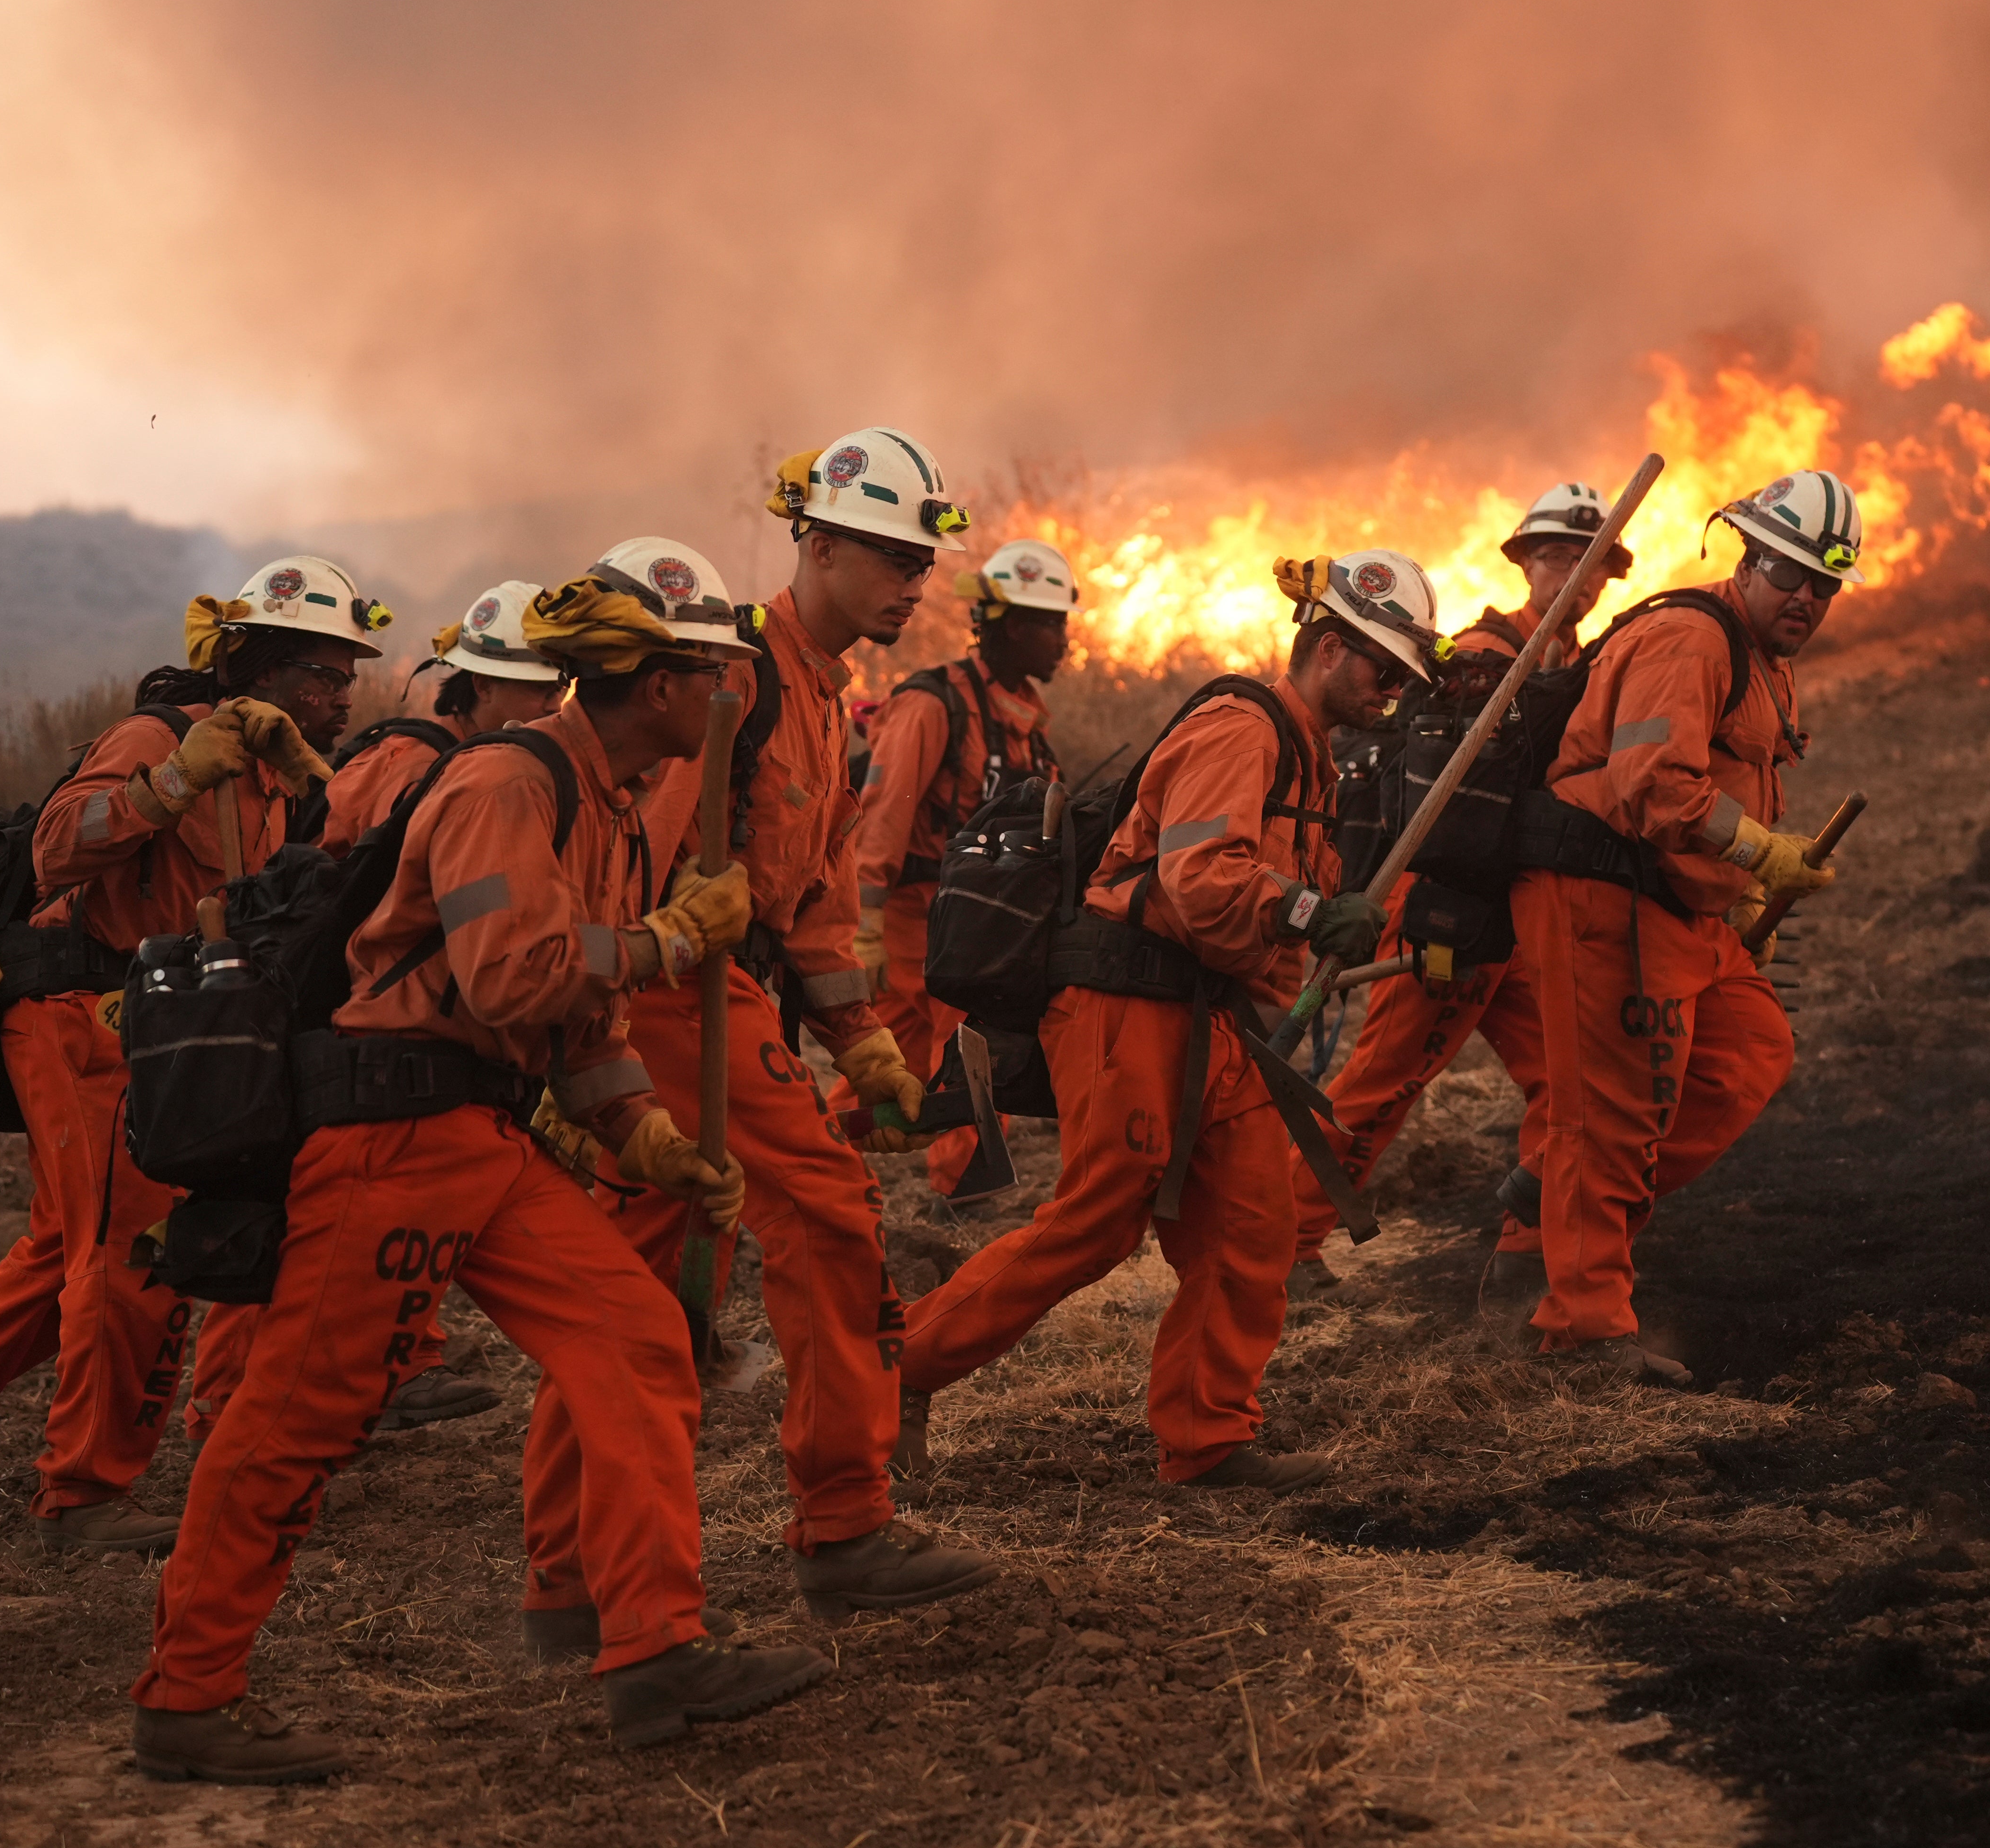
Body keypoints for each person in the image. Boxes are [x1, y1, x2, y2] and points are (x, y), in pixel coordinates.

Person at [127, 567, 821, 1781]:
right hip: (392, 1139)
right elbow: (515, 976)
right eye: (713, 674)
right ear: (659, 685)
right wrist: (669, 941)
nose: (731, 692)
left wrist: (646, 1138)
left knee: (639, 1341)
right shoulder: (506, 781)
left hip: (485, 1139)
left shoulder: (606, 798)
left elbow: (576, 1023)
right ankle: (188, 1697)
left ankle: (657, 1648)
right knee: (298, 1419)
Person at [0, 559, 380, 1555]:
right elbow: (55, 851)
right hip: (88, 1014)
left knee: (60, 1260)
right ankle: (84, 1493)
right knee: (135, 1250)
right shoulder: (159, 738)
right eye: (321, 672)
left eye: (346, 674)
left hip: (162, 1024)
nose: (340, 693)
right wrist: (169, 783)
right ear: (252, 664)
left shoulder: (274, 780)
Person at [894, 549, 1444, 1493]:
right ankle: (892, 1372)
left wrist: (1326, 924)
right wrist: (1311, 914)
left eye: (1403, 678)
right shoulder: (1243, 727)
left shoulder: (1313, 759)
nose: (1391, 691)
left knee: (1251, 1227)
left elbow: (1262, 902)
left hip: (1205, 1015)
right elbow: (1200, 877)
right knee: (1095, 1227)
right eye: (1380, 667)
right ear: (1322, 645)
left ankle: (1208, 1440)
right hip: (1124, 1001)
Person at [591, 448, 1002, 1621]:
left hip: (741, 996)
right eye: (887, 556)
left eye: (920, 564)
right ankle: (844, 1521)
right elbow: (633, 859)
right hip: (676, 998)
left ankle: (572, 1576)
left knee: (646, 1287)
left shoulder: (822, 697)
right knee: (828, 1220)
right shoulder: (730, 682)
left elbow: (815, 899)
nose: (909, 583)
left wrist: (862, 1039)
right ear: (816, 545)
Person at [185, 581, 568, 1443]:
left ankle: (387, 1367)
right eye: (537, 688)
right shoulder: (416, 761)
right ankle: (223, 1409)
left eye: (561, 689)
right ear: (480, 686)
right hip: (326, 1004)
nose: (552, 705)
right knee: (282, 1211)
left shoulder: (474, 766)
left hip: (343, 998)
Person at [1510, 471, 1847, 1386]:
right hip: (1605, 895)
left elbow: (1719, 790)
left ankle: (1547, 1205)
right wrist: (1762, 859)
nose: (1807, 598)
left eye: (1827, 583)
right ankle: (1584, 1330)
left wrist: (1738, 896)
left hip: (1679, 902)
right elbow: (1652, 784)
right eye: (1792, 574)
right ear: (1750, 558)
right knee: (1616, 1116)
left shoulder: (1764, 661)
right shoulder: (1689, 639)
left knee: (1750, 1052)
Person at [1286, 483, 1636, 1308]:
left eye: (1594, 566)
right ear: (1525, 564)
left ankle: (1529, 1248)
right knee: (1382, 1089)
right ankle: (1283, 1245)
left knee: (1569, 1083)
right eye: (1557, 557)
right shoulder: (1483, 653)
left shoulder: (1572, 664)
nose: (1577, 578)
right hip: (1445, 908)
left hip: (1514, 914)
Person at [843, 537, 1072, 1206]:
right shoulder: (933, 704)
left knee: (922, 1061)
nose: (1063, 640)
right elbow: (884, 815)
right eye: (1052, 624)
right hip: (918, 917)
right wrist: (866, 924)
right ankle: (964, 1202)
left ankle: (818, 1144)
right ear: (1011, 625)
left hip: (973, 922)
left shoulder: (1027, 722)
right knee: (968, 1055)